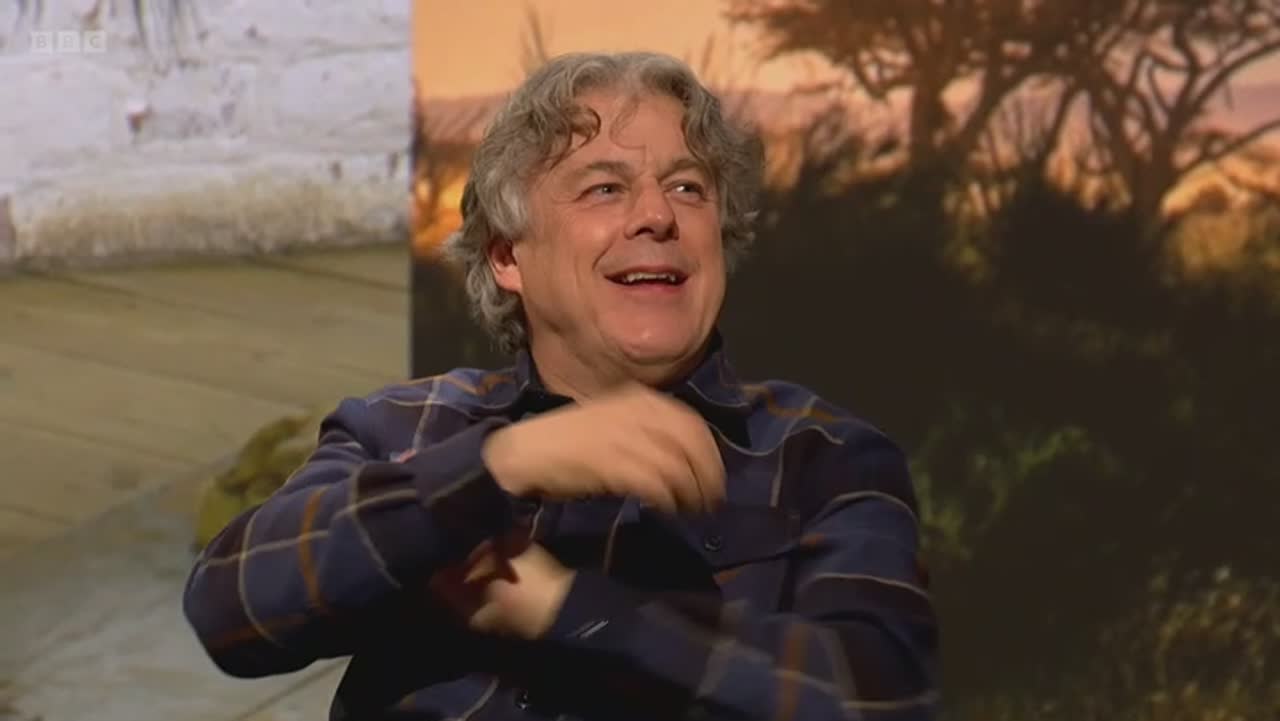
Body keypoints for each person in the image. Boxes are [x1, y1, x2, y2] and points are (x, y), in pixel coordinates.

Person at [183, 50, 938, 721]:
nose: (657, 216)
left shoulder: (824, 455)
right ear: (508, 255)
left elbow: (880, 698)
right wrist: (496, 468)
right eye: (605, 188)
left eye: (687, 187)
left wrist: (574, 611)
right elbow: (230, 606)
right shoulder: (407, 427)